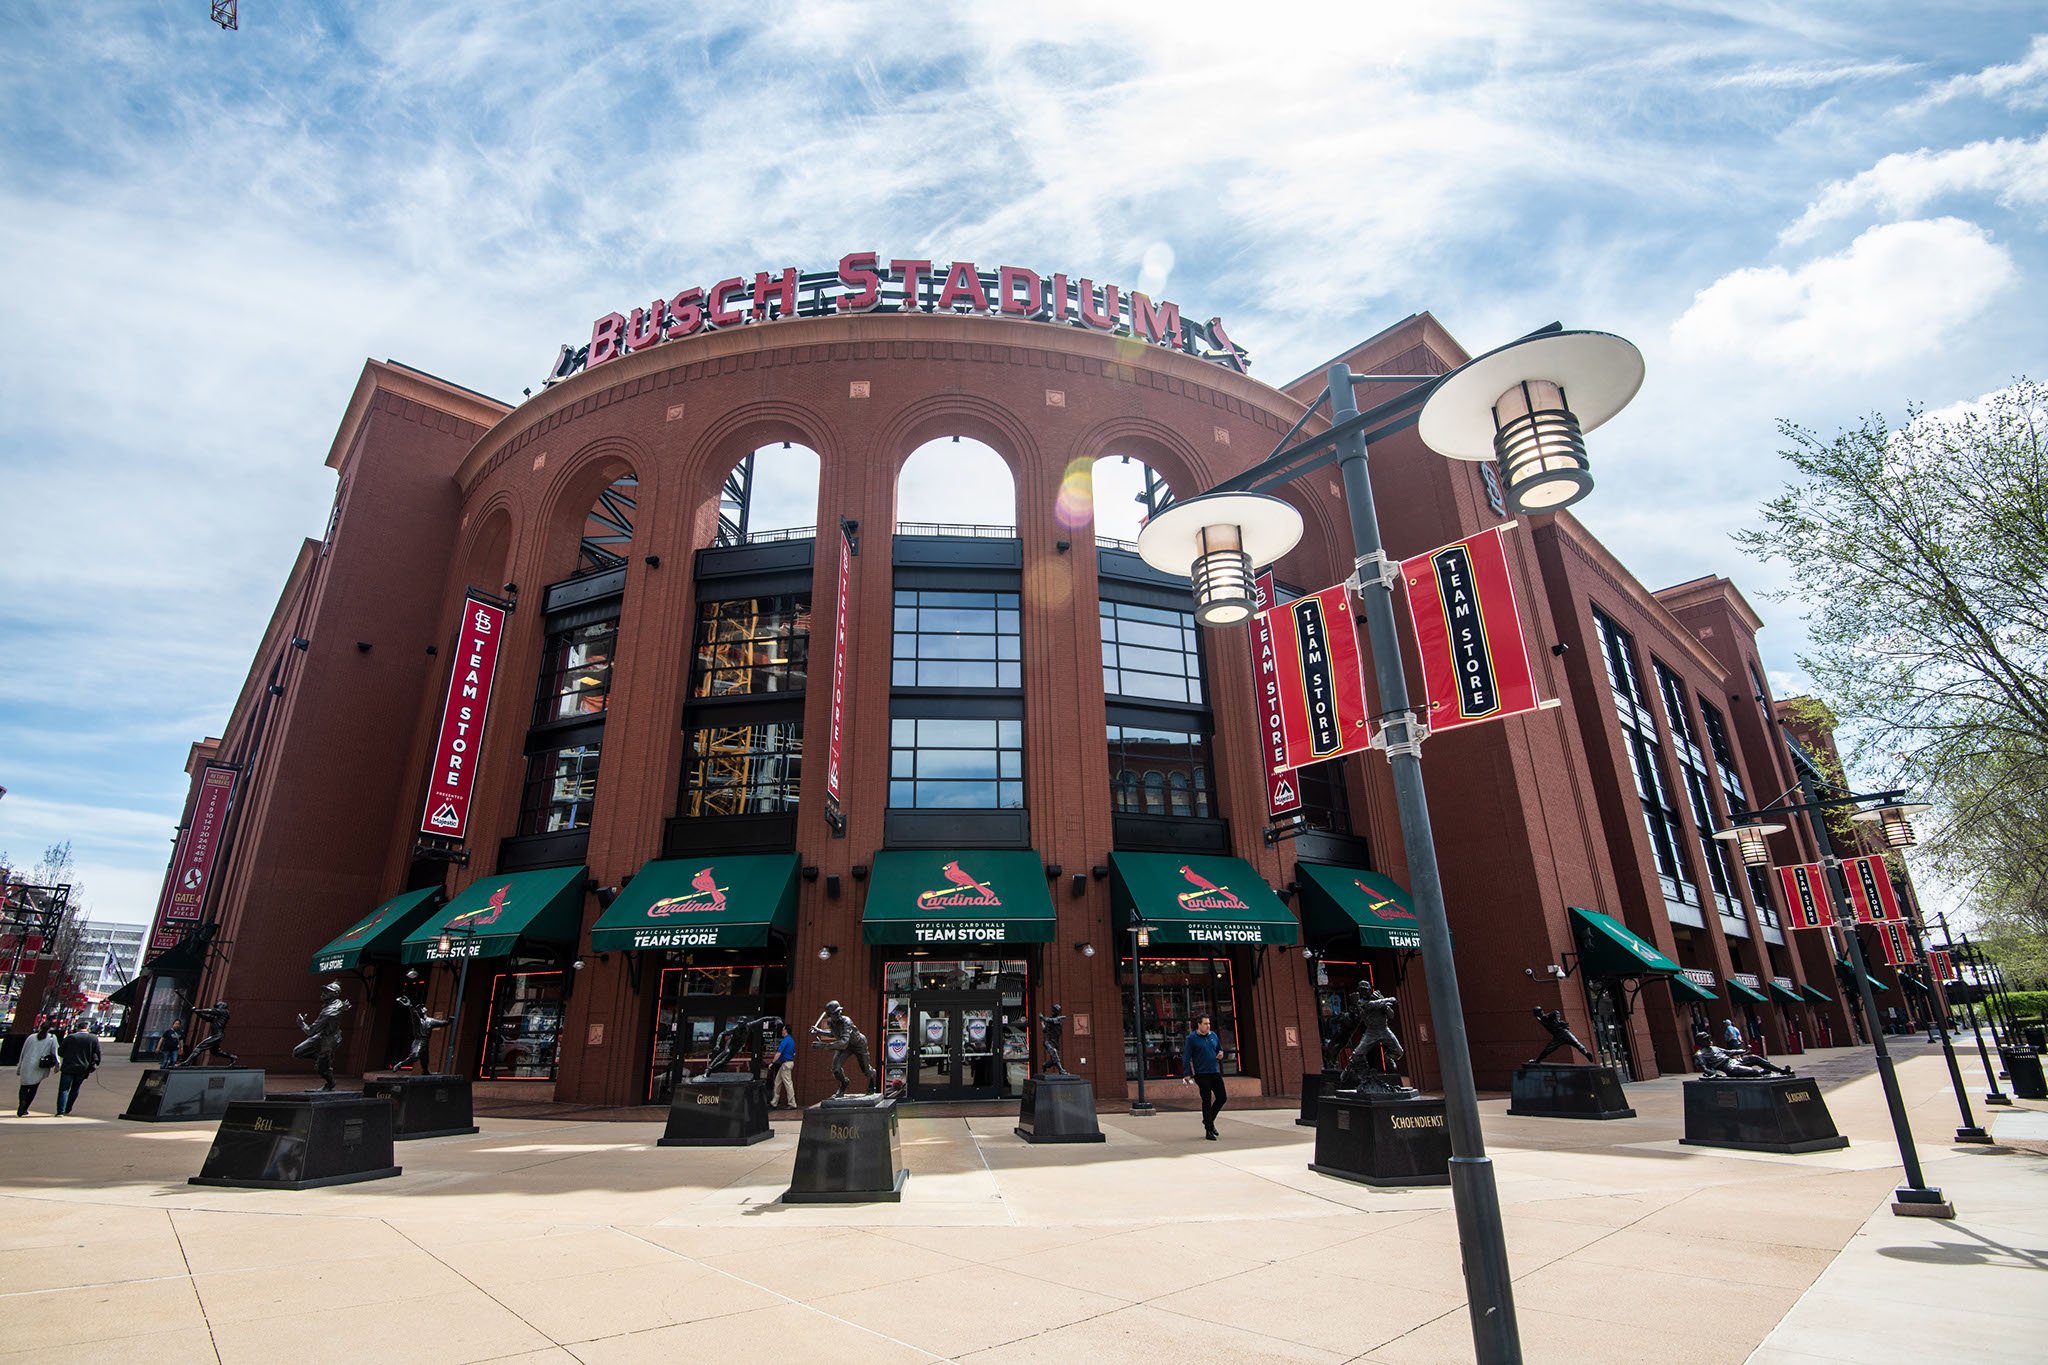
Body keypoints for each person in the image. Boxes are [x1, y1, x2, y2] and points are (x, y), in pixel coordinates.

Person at [1180, 1015, 1226, 1140]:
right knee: (1206, 1100)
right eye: (1205, 1023)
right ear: (1199, 1025)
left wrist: (1221, 1054)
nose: (1208, 1026)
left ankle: (1208, 1121)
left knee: (1222, 1097)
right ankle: (1209, 1130)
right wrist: (1186, 1073)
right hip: (1201, 1074)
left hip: (1214, 1072)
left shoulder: (1213, 1036)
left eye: (1209, 1023)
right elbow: (1186, 1057)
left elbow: (1219, 1049)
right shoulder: (1192, 1038)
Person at [54, 1019, 102, 1116]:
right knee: (75, 1088)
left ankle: (60, 1110)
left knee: (64, 1089)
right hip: (83, 1067)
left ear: (77, 1028)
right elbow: (97, 1052)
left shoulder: (70, 1038)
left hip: (68, 1066)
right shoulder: (93, 1038)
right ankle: (68, 1108)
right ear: (87, 1028)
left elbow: (60, 1052)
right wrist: (95, 1064)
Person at [14, 1020, 59, 1117]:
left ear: (40, 1027)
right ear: (50, 1029)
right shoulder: (52, 1038)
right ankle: (25, 1107)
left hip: (27, 1064)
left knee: (24, 1087)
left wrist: (19, 1066)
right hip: (40, 1066)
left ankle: (22, 1103)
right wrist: (57, 1065)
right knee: (34, 1087)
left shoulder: (31, 1037)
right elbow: (55, 1052)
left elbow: (23, 1052)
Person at [769, 1023, 797, 1109]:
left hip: (785, 1064)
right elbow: (794, 1053)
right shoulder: (791, 1041)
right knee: (777, 1082)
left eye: (783, 1029)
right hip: (787, 1063)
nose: (782, 1030)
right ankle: (774, 1102)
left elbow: (778, 1053)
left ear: (785, 1030)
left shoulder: (785, 1040)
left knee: (788, 1083)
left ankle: (792, 1104)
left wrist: (772, 1062)